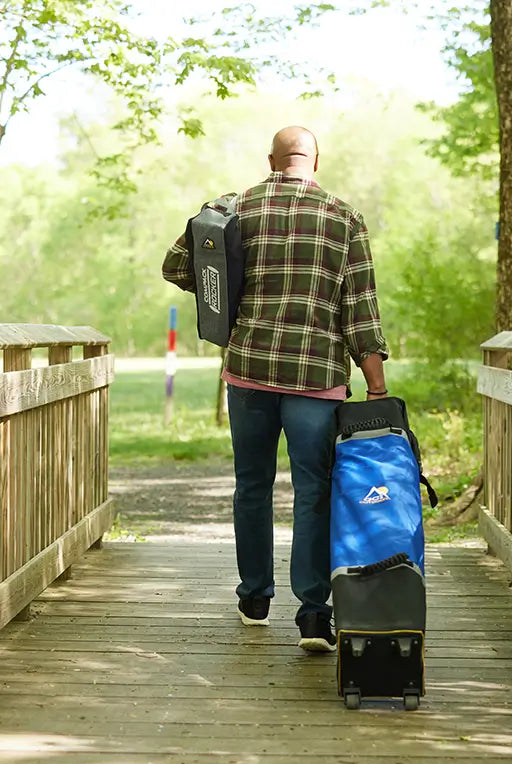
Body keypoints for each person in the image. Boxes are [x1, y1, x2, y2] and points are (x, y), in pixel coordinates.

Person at [162, 125, 389, 652]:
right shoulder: (344, 218)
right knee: (313, 493)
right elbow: (361, 310)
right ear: (316, 162)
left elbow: (176, 266)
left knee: (253, 485)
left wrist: (227, 276)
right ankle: (313, 615)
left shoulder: (232, 209)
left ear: (271, 160)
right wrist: (376, 385)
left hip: (249, 369)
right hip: (315, 378)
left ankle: (254, 600)